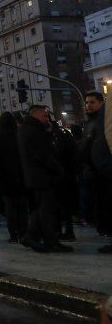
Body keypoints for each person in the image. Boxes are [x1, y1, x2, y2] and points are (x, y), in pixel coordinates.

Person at [18, 105, 71, 253]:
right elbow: (42, 155)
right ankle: (45, 239)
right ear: (36, 116)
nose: (47, 119)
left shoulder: (27, 129)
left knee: (42, 208)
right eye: (45, 116)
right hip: (42, 175)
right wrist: (57, 169)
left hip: (35, 176)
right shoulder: (33, 131)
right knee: (46, 209)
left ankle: (38, 237)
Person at [80, 91, 112, 253]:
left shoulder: (104, 121)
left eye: (92, 102)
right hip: (95, 172)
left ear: (101, 103)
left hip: (105, 170)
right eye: (87, 102)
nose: (88, 105)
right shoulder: (90, 122)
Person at [0, 112, 28, 243]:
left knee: (10, 205)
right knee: (22, 204)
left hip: (5, 174)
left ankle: (13, 234)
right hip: (21, 173)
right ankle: (24, 231)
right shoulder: (19, 133)